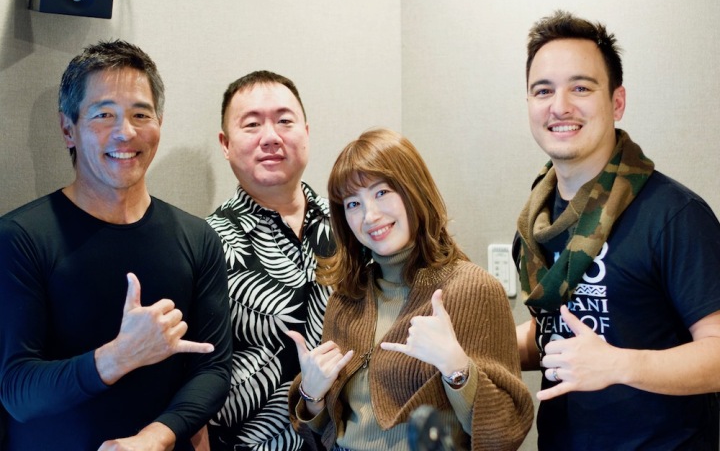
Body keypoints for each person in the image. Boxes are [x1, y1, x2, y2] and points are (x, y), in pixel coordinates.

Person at [0, 40, 232, 450]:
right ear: (68, 129)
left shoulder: (198, 238)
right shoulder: (20, 237)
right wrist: (121, 355)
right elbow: (18, 390)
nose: (126, 132)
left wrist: (154, 439)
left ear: (159, 123)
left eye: (141, 114)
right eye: (103, 114)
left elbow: (212, 367)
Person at [514, 10, 720, 450]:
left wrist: (619, 366)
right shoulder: (536, 224)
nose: (559, 106)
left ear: (617, 101)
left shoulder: (674, 215)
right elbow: (555, 332)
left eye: (581, 88)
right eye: (543, 90)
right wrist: (470, 348)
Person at [287, 128, 534, 450]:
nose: (370, 215)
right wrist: (312, 395)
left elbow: (505, 434)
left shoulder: (474, 289)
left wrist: (456, 368)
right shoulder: (347, 298)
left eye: (381, 192)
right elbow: (320, 436)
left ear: (413, 190)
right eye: (353, 203)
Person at [205, 71, 334, 450]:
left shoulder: (354, 224)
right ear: (225, 144)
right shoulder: (205, 243)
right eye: (252, 124)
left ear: (306, 132)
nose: (271, 137)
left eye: (284, 121)